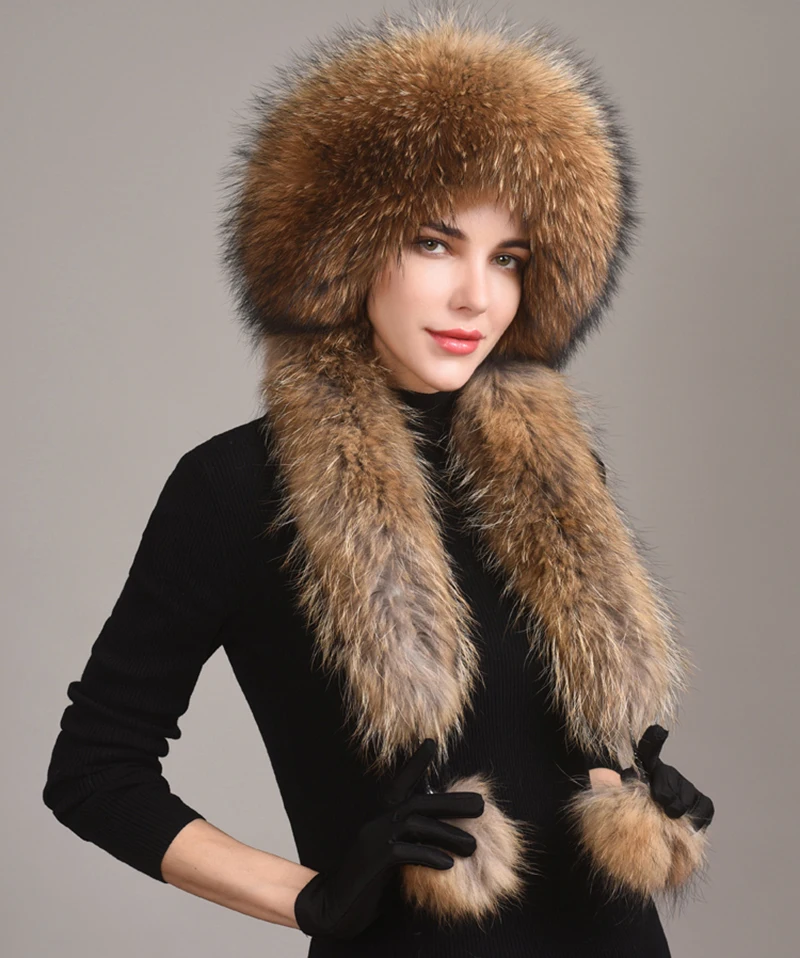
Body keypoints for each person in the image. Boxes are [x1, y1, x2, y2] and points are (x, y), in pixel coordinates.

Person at [43, 4, 714, 955]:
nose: (477, 296)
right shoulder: (236, 487)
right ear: (343, 245)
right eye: (434, 243)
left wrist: (627, 786)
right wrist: (313, 899)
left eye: (509, 259)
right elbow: (94, 770)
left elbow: (531, 740)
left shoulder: (562, 475)